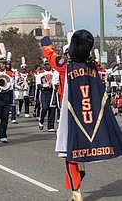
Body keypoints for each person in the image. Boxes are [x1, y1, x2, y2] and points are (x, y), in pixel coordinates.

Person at [41, 11, 122, 201]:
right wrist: (78, 46)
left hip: (71, 114)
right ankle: (78, 179)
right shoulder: (93, 67)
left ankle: (76, 191)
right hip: (90, 115)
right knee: (80, 149)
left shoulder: (65, 66)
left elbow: (48, 51)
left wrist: (45, 30)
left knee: (70, 152)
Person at [36, 58, 58, 131]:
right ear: (44, 65)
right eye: (47, 64)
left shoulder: (55, 72)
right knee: (45, 108)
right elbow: (38, 85)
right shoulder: (40, 73)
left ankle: (50, 126)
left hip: (52, 91)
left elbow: (57, 81)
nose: (48, 66)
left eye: (49, 64)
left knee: (52, 108)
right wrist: (44, 85)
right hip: (44, 92)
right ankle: (41, 120)